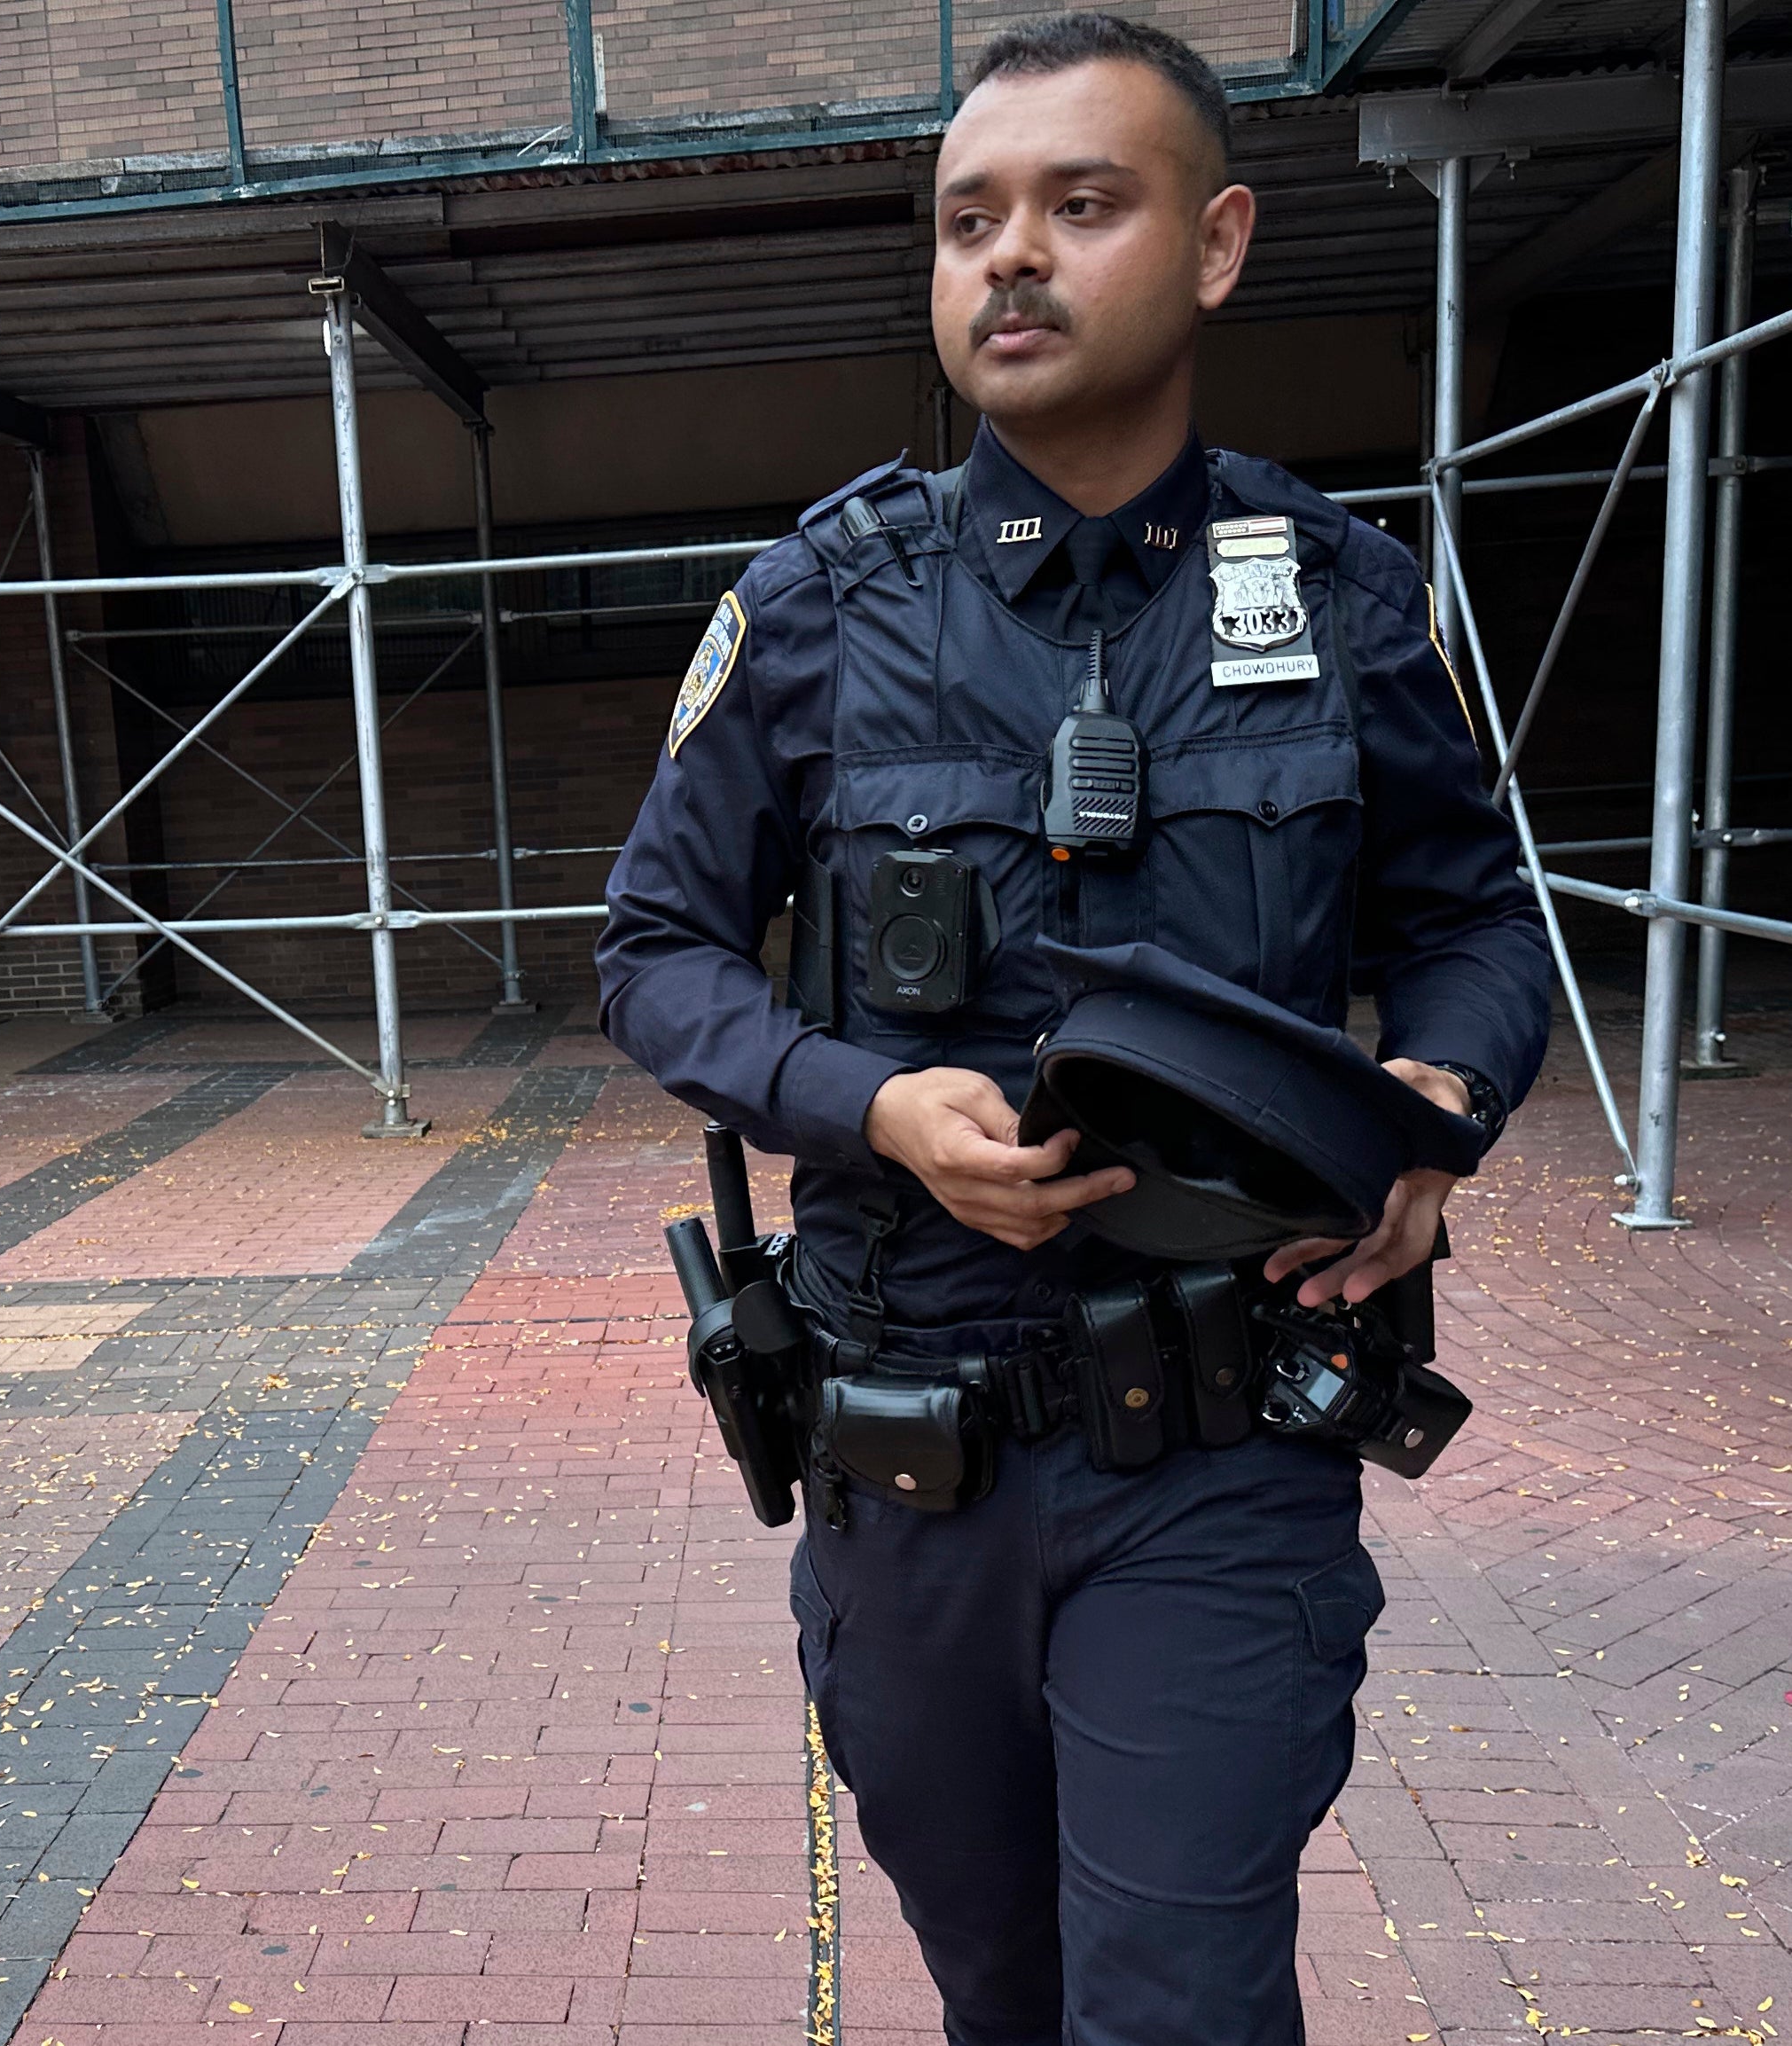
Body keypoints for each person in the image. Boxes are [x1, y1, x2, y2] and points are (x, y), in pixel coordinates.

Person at [595, 16, 1552, 2042]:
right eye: (966, 221)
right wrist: (867, 1102)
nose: (1008, 256)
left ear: (1213, 245)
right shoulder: (818, 604)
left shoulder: (1343, 593)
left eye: (1077, 205)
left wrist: (1437, 1115)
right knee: (1004, 1992)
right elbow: (656, 949)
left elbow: (1472, 919)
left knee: (1179, 2004)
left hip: (1218, 1451)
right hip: (906, 1459)